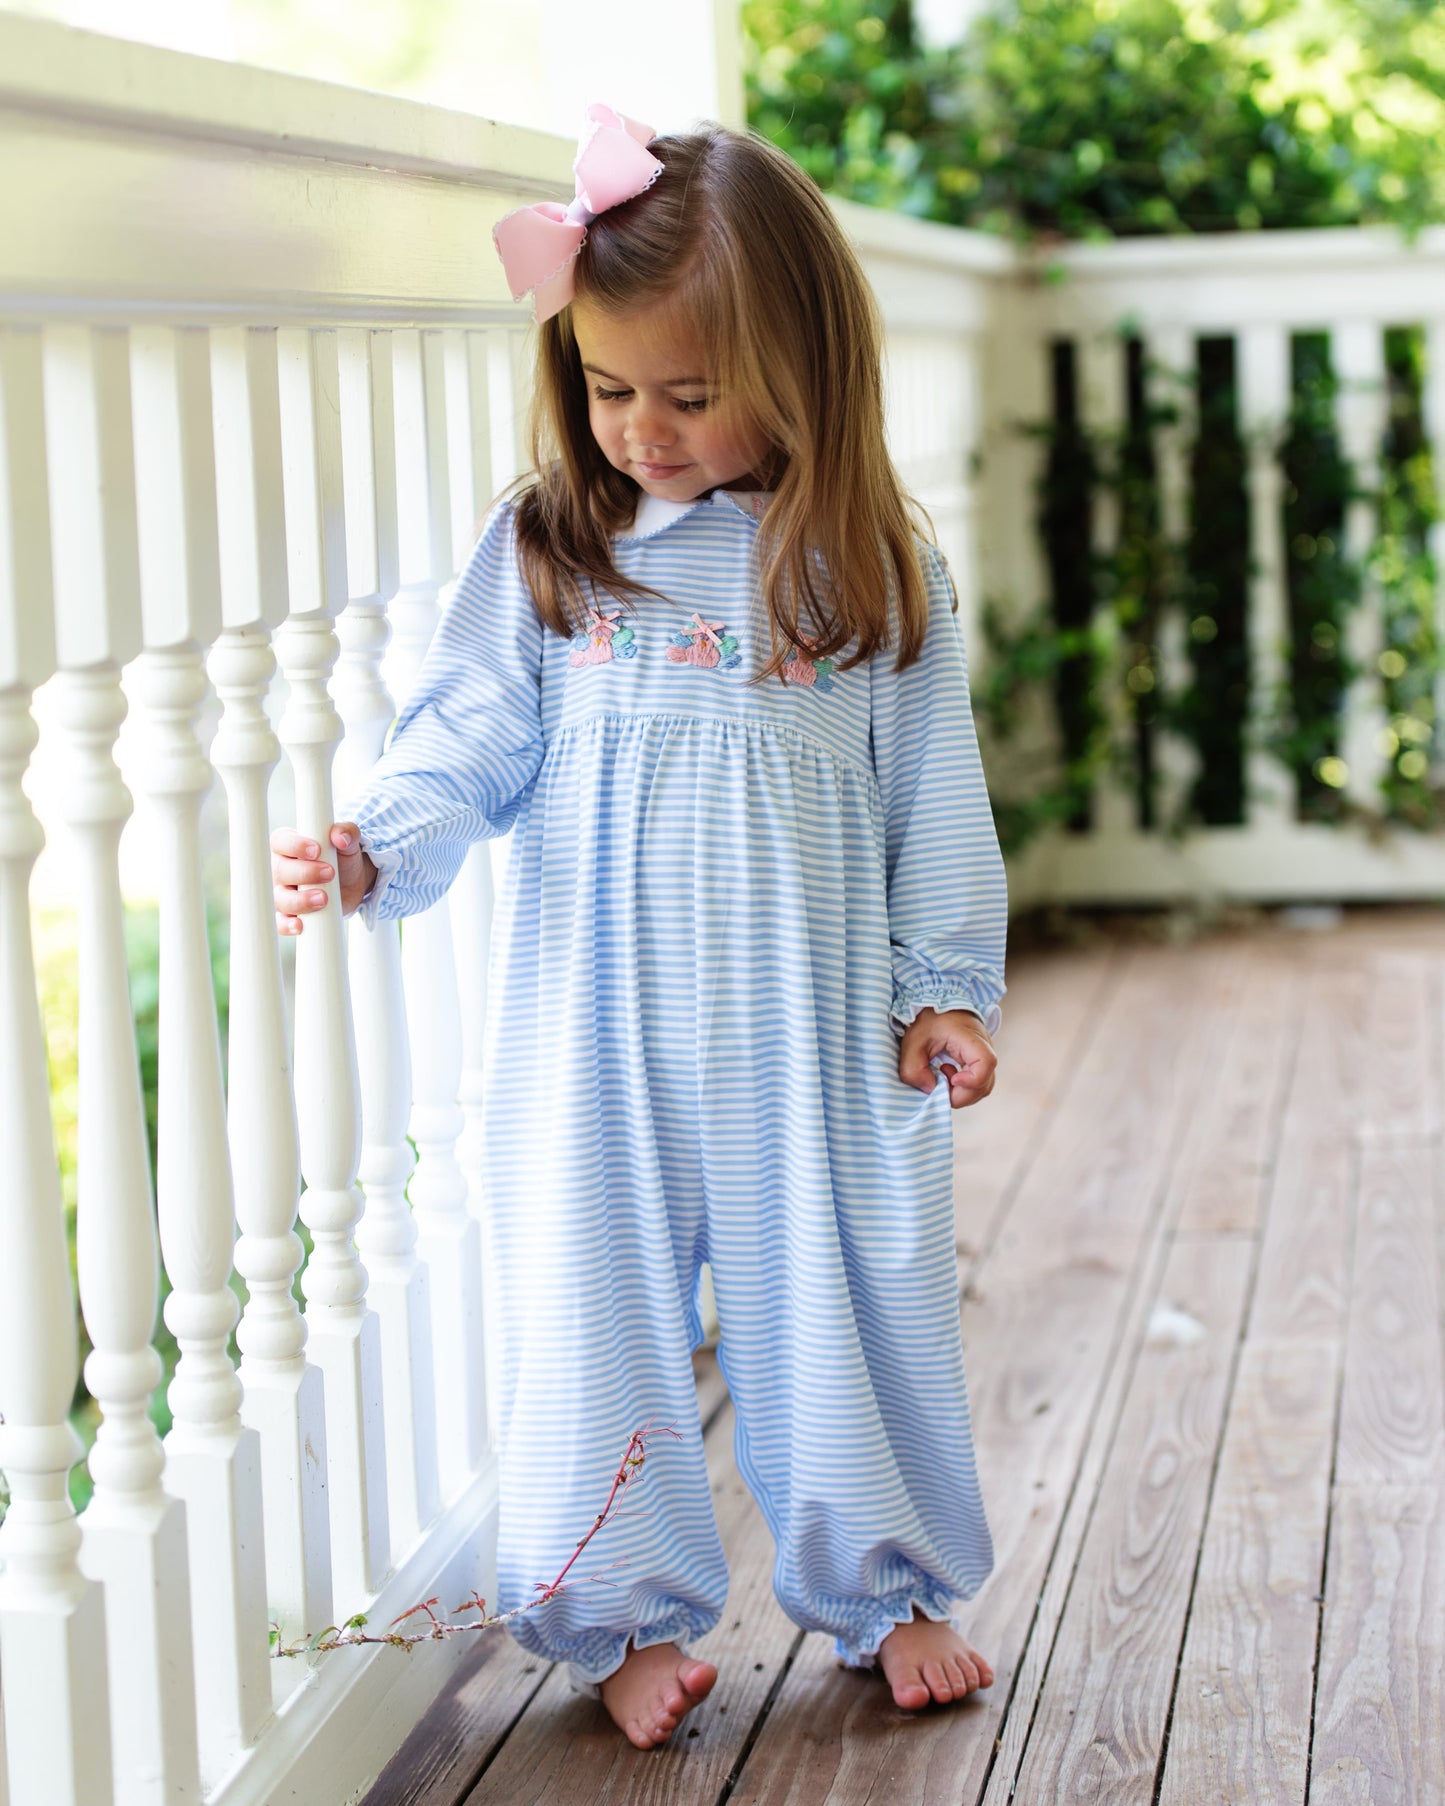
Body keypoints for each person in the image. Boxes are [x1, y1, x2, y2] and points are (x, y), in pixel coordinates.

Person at [270, 105, 1006, 1754]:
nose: (645, 431)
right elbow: (464, 733)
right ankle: (616, 1619)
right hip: (592, 1036)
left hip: (809, 1037)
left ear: (801, 367)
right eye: (610, 390)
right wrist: (379, 846)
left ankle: (882, 1589)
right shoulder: (554, 551)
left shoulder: (862, 566)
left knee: (838, 1301)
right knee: (593, 1307)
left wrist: (946, 990)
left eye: (690, 392)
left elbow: (930, 802)